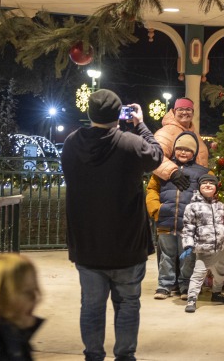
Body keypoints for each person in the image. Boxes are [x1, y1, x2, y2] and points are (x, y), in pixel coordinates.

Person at [61, 89, 164, 361]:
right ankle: (125, 355)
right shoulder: (130, 143)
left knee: (91, 306)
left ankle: (93, 355)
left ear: (90, 113)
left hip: (87, 243)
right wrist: (140, 124)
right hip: (127, 243)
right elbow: (156, 155)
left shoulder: (72, 143)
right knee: (128, 303)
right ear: (118, 115)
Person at [145, 131, 207, 299]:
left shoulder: (202, 172)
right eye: (179, 149)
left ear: (193, 152)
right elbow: (152, 190)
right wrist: (156, 209)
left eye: (187, 149)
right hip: (166, 219)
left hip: (188, 224)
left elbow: (209, 194)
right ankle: (164, 285)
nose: (183, 152)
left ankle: (185, 286)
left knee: (187, 256)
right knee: (166, 255)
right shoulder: (163, 170)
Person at [180, 173, 224, 313]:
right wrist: (188, 244)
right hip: (204, 248)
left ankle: (217, 293)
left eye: (211, 183)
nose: (208, 185)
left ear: (216, 188)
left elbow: (220, 224)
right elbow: (188, 227)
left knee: (219, 273)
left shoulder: (220, 205)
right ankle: (192, 298)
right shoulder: (192, 207)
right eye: (205, 183)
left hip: (220, 247)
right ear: (199, 187)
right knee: (199, 274)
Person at [153, 98, 209, 191]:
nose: (184, 112)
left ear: (193, 112)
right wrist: (173, 172)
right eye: (180, 109)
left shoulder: (195, 134)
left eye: (188, 109)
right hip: (173, 190)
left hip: (193, 192)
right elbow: (153, 156)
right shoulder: (166, 132)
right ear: (175, 112)